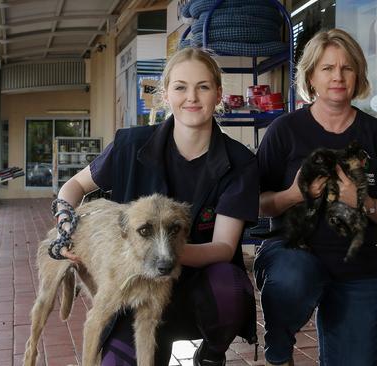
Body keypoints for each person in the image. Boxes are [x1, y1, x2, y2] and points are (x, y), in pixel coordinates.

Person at [54, 47, 259, 366]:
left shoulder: (240, 162)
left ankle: (212, 355)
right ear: (165, 94)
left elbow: (222, 247)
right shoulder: (129, 145)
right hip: (135, 290)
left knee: (230, 288)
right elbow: (74, 186)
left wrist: (161, 255)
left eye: (203, 87)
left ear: (218, 93)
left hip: (199, 290)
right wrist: (65, 226)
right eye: (180, 87)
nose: (192, 97)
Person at [255, 28, 377, 366]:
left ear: (358, 75)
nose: (338, 76)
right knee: (293, 277)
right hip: (291, 253)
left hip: (356, 266)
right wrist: (294, 195)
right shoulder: (284, 130)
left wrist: (363, 201)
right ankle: (280, 350)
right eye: (327, 68)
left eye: (347, 68)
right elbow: (258, 203)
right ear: (311, 76)